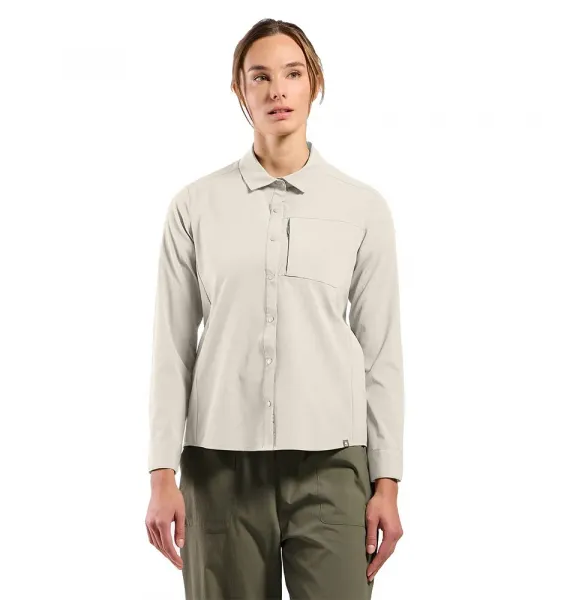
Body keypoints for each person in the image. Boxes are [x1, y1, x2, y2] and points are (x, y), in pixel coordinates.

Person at [145, 17, 405, 600]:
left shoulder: (361, 208)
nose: (277, 90)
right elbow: (172, 349)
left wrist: (387, 482)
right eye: (259, 76)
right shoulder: (195, 207)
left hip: (333, 466)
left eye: (292, 74)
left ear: (315, 83)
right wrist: (162, 473)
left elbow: (381, 354)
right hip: (220, 468)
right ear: (239, 89)